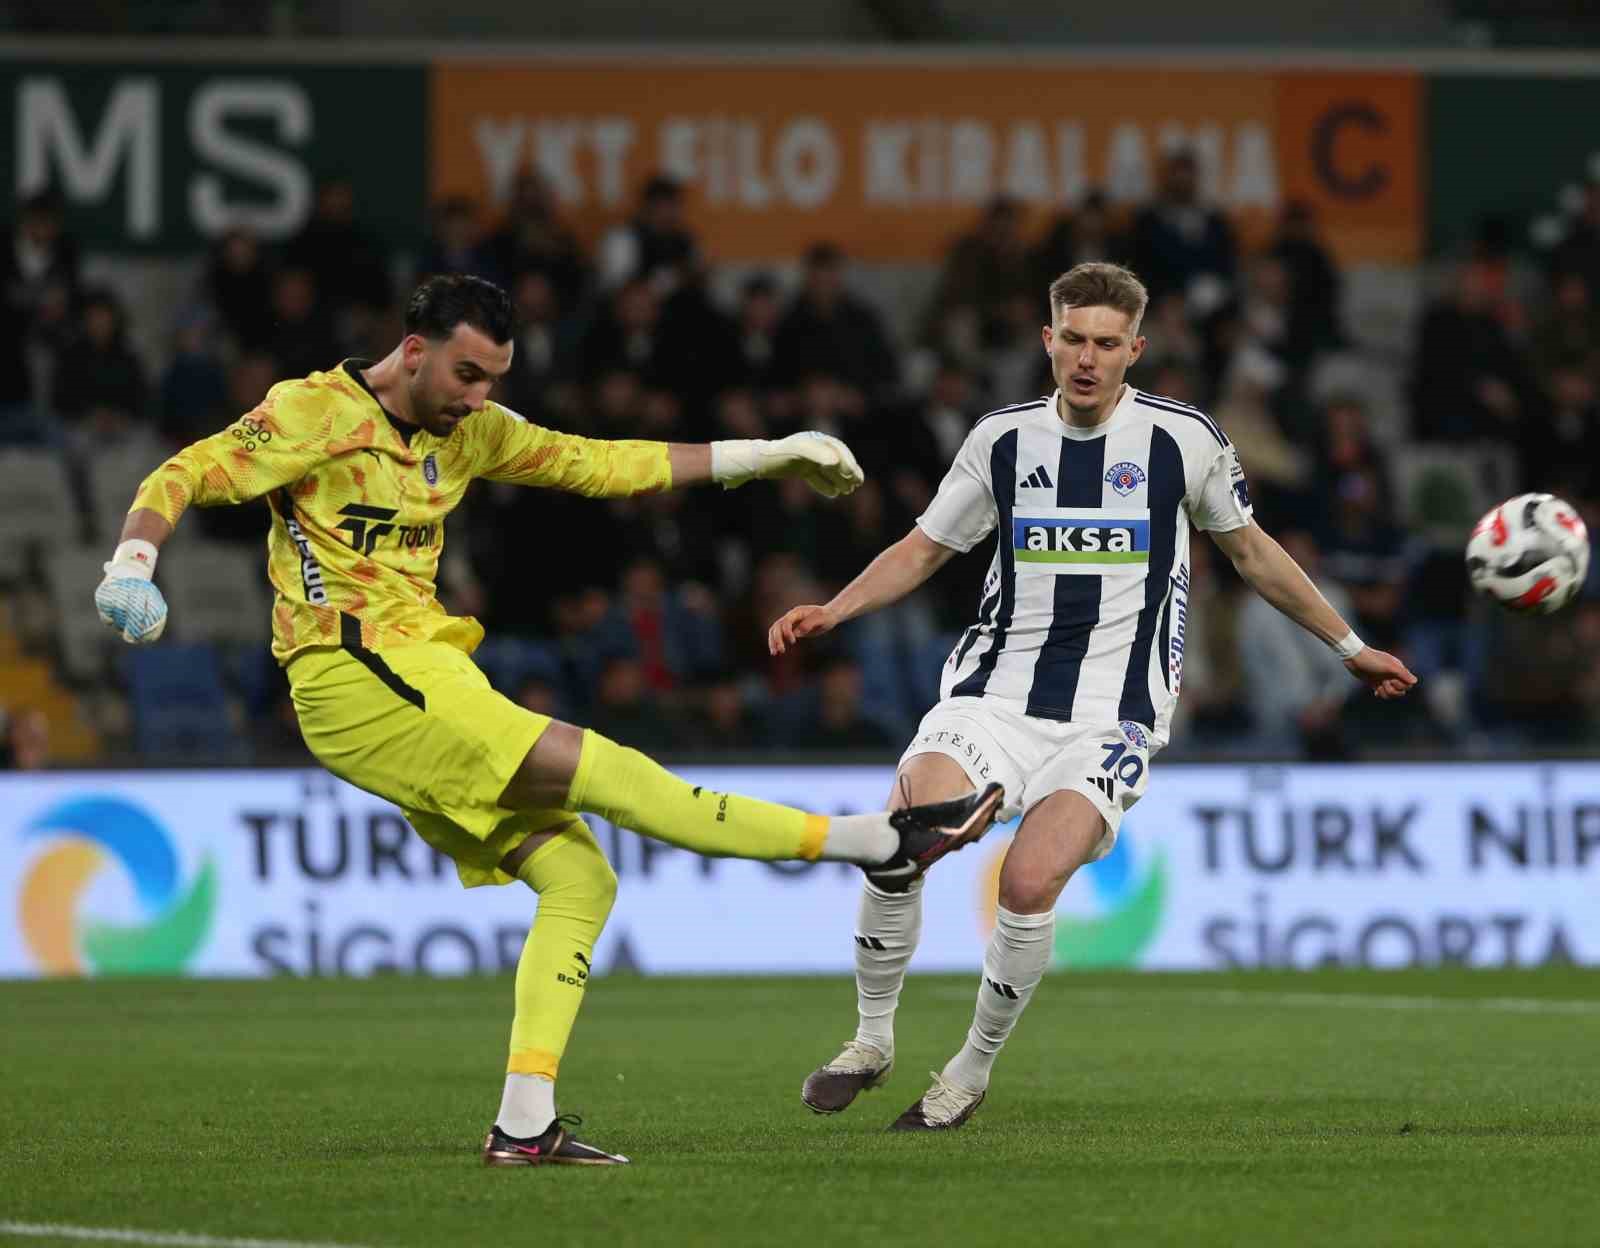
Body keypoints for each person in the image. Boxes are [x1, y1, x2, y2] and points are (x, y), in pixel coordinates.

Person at [93, 274, 1004, 1166]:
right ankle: (878, 842)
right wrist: (133, 561)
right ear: (414, 352)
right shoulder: (312, 414)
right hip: (352, 672)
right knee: (609, 772)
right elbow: (188, 470)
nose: (480, 398)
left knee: (579, 879)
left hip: (424, 675)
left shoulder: (473, 431)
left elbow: (603, 463)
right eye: (466, 375)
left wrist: (769, 454)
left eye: (494, 378)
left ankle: (524, 1124)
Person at [768, 261, 1416, 1131]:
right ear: (1048, 340)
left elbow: (1253, 553)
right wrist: (836, 608)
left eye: (1106, 344)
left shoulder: (1182, 441)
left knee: (1029, 884)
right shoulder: (1000, 439)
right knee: (900, 837)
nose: (1086, 358)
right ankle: (871, 1040)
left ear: (1134, 350)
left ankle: (967, 1072)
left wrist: (1349, 646)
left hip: (1113, 716)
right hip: (990, 695)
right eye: (1072, 339)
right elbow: (924, 548)